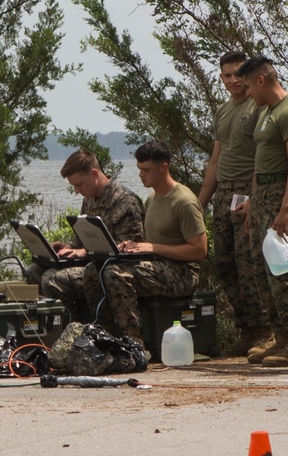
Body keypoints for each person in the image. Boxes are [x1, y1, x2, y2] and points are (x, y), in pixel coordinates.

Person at [82, 140, 207, 345]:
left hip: (183, 273)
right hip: (159, 265)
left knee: (115, 274)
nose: (141, 174)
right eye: (139, 169)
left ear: (163, 167)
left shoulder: (183, 201)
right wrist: (130, 247)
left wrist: (154, 247)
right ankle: (105, 333)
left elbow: (200, 250)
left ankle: (133, 340)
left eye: (146, 170)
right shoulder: (152, 198)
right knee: (93, 271)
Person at [237, 55, 288, 367]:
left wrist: (286, 209)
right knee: (262, 271)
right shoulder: (266, 111)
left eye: (248, 87)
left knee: (284, 272)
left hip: (282, 196)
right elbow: (262, 160)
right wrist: (253, 203)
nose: (247, 94)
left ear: (261, 80)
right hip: (264, 197)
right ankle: (281, 339)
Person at [198, 51, 273, 357]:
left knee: (250, 264)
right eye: (227, 76)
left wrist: (255, 198)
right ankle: (246, 330)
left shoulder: (258, 108)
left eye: (238, 75)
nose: (233, 81)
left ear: (249, 76)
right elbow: (215, 161)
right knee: (226, 263)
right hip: (223, 195)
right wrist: (198, 204)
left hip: (247, 191)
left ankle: (265, 332)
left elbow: (264, 156)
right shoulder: (222, 111)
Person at [28, 150, 145, 322]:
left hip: (112, 270)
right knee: (34, 272)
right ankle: (47, 330)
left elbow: (128, 249)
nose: (77, 190)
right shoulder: (89, 199)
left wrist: (84, 252)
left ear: (94, 174)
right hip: (92, 264)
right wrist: (68, 247)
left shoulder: (124, 201)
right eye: (74, 186)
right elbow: (82, 238)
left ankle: (74, 331)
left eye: (79, 184)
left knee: (52, 280)